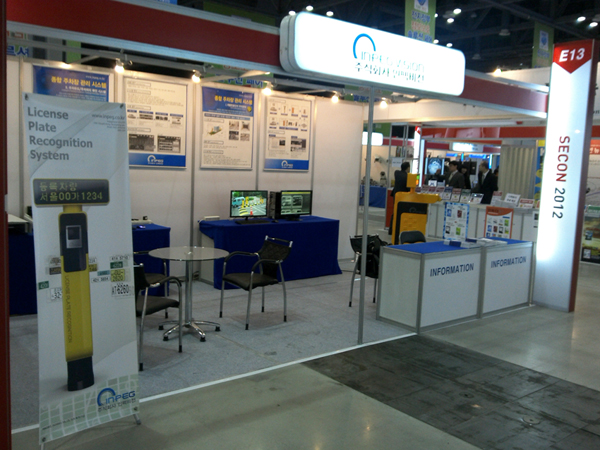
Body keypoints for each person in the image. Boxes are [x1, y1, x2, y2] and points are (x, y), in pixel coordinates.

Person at [388, 162, 411, 234]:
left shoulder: (397, 173)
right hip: (403, 197)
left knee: (395, 212)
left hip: (396, 195)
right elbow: (408, 188)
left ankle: (391, 229)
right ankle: (400, 229)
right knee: (402, 213)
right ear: (408, 168)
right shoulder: (407, 176)